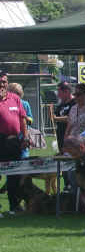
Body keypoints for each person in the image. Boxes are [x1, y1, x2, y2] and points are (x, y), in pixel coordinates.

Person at [0, 70, 29, 216]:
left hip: (14, 141)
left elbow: (22, 119)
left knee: (14, 175)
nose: (2, 84)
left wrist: (25, 137)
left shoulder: (14, 98)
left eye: (4, 81)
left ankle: (14, 206)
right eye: (0, 81)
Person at [7, 83, 33, 158]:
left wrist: (26, 118)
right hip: (10, 136)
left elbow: (31, 119)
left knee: (23, 155)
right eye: (14, 93)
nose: (17, 96)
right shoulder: (6, 103)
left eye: (18, 93)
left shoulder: (25, 104)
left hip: (22, 135)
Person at [53, 81, 75, 153]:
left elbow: (71, 118)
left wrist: (56, 118)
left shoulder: (75, 102)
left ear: (67, 91)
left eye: (60, 92)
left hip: (71, 136)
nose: (58, 95)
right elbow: (55, 115)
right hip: (61, 135)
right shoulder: (61, 104)